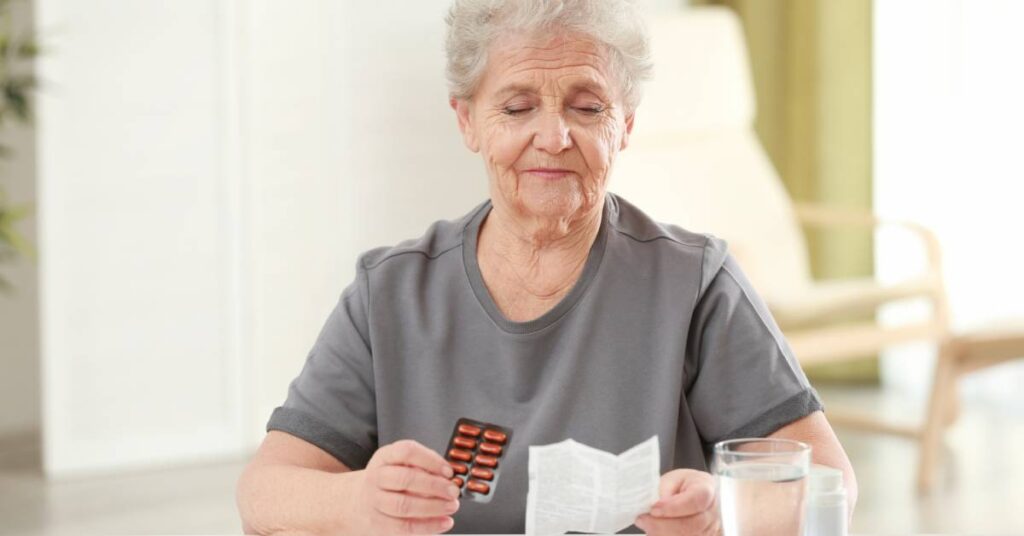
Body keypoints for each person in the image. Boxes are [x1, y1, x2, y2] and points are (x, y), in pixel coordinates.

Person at [236, 1, 858, 534]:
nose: (554, 136)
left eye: (588, 108)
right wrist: (357, 503)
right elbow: (264, 491)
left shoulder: (696, 284)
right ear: (467, 120)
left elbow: (832, 483)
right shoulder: (390, 294)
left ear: (627, 125)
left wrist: (721, 510)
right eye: (517, 107)